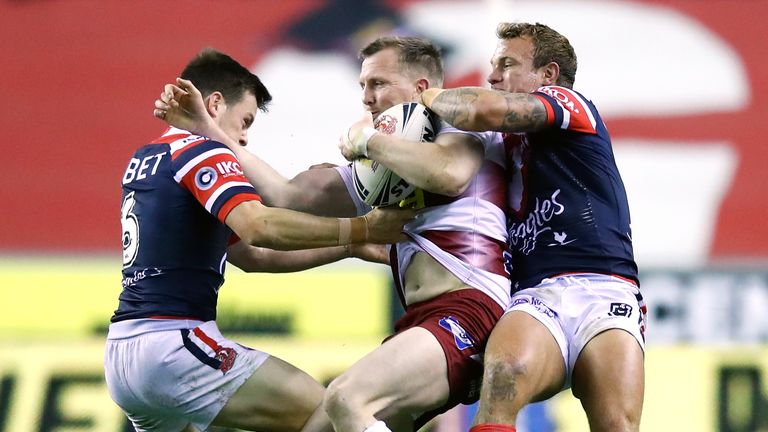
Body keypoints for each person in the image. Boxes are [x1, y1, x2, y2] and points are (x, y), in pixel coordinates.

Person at [154, 36, 511, 432]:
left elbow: (448, 173)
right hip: (424, 320)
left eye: (378, 84)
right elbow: (288, 196)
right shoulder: (381, 165)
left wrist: (369, 141)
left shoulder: (457, 123)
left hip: (472, 308)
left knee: (347, 399)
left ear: (421, 88)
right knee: (319, 427)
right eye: (362, 86)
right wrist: (206, 129)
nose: (367, 98)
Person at [105, 48, 413, 432]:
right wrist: (364, 228)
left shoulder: (147, 157)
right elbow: (260, 226)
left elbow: (251, 255)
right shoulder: (201, 150)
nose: (245, 138)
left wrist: (348, 247)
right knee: (338, 411)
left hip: (122, 355)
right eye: (245, 120)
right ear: (214, 104)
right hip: (174, 344)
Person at [419, 22, 647, 432]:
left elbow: (480, 108)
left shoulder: (569, 104)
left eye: (507, 63)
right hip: (535, 292)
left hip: (603, 286)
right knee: (502, 379)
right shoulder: (494, 146)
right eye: (493, 65)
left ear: (548, 75)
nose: (492, 76)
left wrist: (428, 96)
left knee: (616, 423)